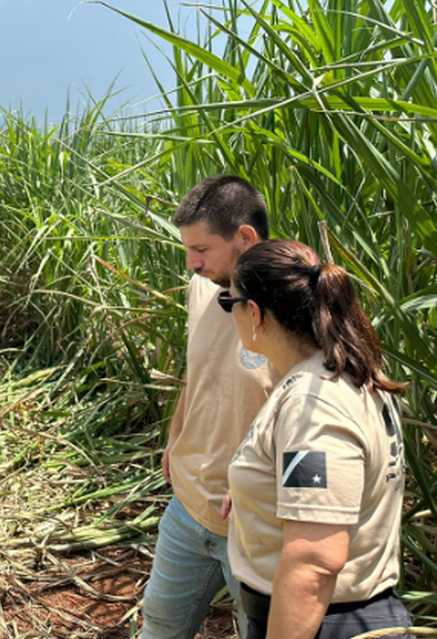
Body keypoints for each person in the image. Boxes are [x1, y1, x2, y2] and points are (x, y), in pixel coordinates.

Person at [224, 239, 412, 639]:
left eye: (230, 302)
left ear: (253, 312)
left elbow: (314, 562)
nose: (231, 313)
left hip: (322, 623)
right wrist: (251, 489)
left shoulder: (315, 405)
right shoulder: (350, 369)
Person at [142, 175, 278, 639]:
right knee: (159, 625)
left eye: (201, 248)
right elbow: (196, 372)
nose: (190, 262)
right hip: (187, 504)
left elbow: (310, 408)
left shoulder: (294, 303)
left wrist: (257, 480)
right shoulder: (202, 286)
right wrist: (176, 436)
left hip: (255, 526)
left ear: (245, 238)